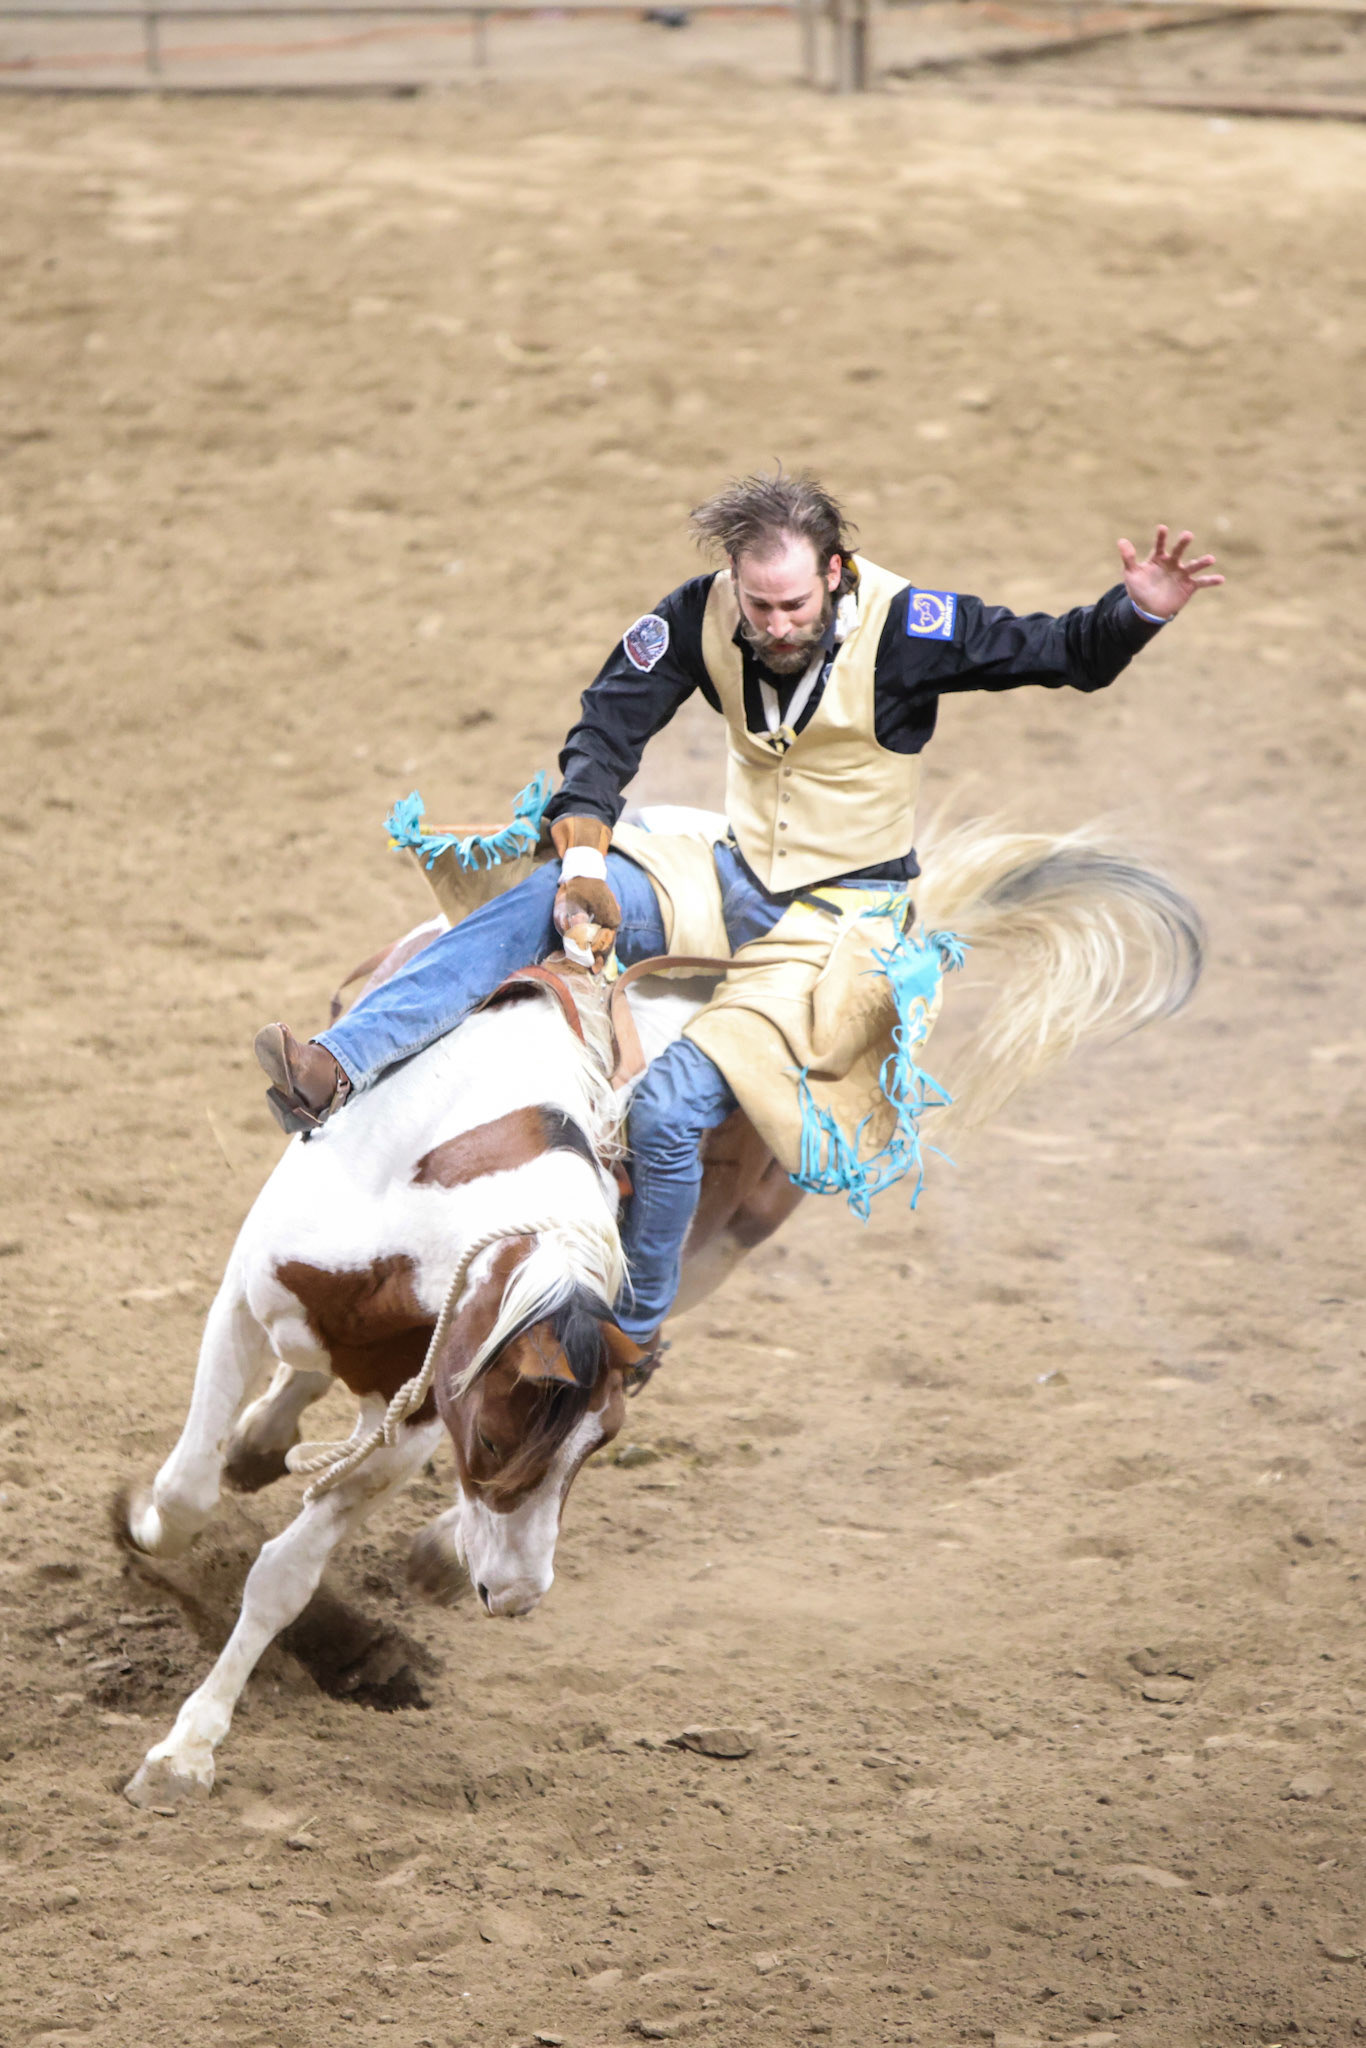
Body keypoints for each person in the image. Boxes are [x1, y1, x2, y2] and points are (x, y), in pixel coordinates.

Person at [255, 470, 1222, 1349]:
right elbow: (608, 727)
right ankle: (336, 1067)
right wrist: (587, 852)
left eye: (794, 602)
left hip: (843, 924)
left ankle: (625, 1332)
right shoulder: (700, 616)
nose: (774, 623)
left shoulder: (911, 624)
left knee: (672, 1108)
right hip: (724, 875)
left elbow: (1055, 653)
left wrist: (1133, 613)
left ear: (836, 574)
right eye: (757, 603)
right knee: (544, 898)